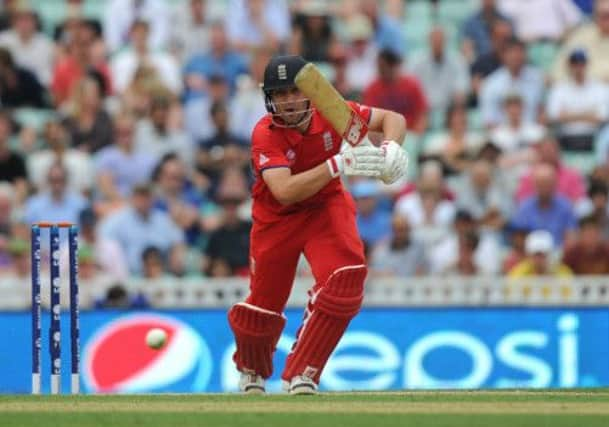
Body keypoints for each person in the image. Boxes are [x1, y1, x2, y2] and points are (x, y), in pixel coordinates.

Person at [227, 55, 407, 395]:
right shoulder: (265, 133)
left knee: (347, 279)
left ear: (310, 92)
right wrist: (337, 163)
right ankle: (251, 370)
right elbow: (284, 191)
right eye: (280, 94)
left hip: (325, 207)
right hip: (277, 219)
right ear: (269, 98)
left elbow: (391, 118)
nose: (288, 101)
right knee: (262, 308)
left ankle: (304, 372)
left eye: (295, 91)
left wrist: (391, 148)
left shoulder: (332, 111)